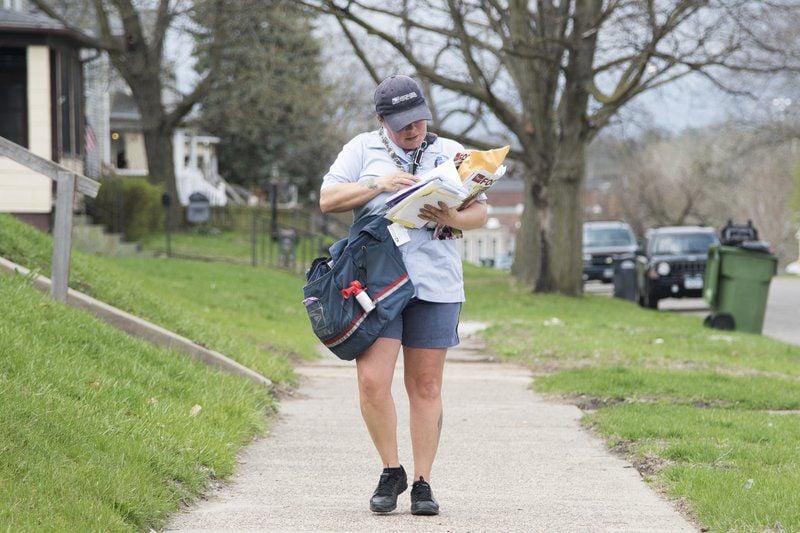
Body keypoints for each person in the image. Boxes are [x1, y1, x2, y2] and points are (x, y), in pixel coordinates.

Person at [319, 75, 488, 515]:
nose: (412, 130)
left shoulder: (451, 152)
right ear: (381, 121)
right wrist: (377, 185)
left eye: (418, 120)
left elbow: (481, 213)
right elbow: (328, 198)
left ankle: (422, 482)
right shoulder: (361, 149)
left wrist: (453, 214)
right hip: (378, 285)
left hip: (436, 283)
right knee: (373, 380)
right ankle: (390, 470)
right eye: (401, 124)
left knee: (425, 385)